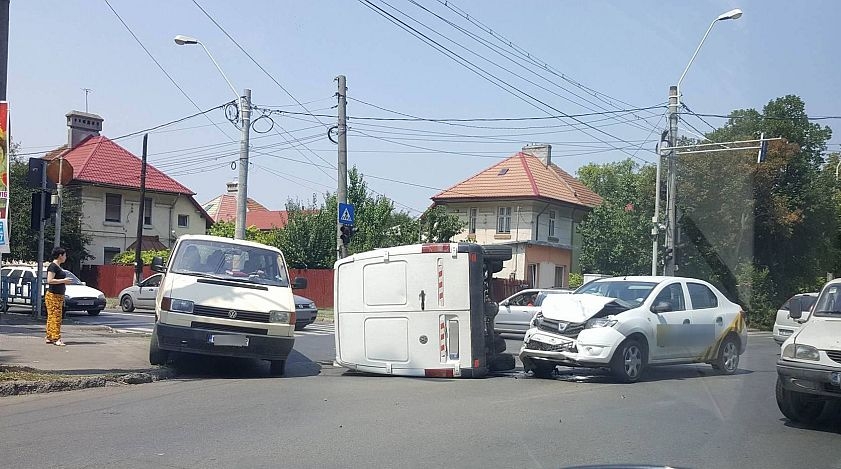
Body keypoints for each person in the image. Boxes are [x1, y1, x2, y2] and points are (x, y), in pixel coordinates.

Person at [45, 247, 72, 346]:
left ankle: (50, 336)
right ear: (60, 255)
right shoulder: (53, 266)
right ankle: (56, 338)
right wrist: (63, 281)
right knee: (56, 317)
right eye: (64, 255)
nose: (65, 257)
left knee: (52, 316)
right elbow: (50, 280)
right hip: (53, 295)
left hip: (58, 295)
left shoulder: (58, 267)